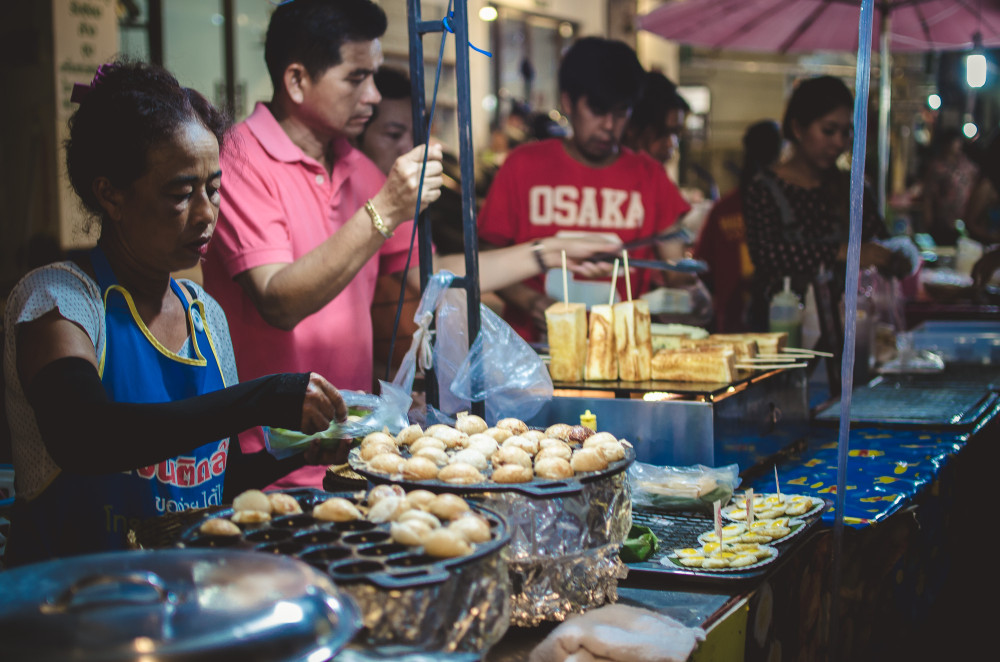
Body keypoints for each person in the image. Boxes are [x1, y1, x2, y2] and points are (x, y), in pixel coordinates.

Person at [203, 1, 613, 487]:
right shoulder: (240, 160)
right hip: (267, 455)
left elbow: (429, 274)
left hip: (349, 450)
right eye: (357, 78)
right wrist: (385, 210)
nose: (373, 95)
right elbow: (279, 301)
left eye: (374, 76)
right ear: (296, 81)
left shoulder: (357, 167)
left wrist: (545, 250)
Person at [2, 61, 348, 566]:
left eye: (213, 188)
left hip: (180, 604)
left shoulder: (205, 317)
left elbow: (215, 481)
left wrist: (296, 451)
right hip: (72, 616)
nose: (207, 214)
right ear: (110, 194)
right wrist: (262, 398)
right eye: (181, 194)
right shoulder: (59, 303)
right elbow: (84, 437)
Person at [357, 67, 619, 381]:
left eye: (417, 135)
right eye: (393, 134)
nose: (410, 149)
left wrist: (551, 250)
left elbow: (432, 273)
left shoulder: (392, 201)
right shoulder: (367, 193)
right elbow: (430, 277)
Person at [477, 37, 691, 342]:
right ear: (568, 102)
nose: (608, 125)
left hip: (623, 351)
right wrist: (530, 301)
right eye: (597, 110)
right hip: (533, 353)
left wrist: (690, 292)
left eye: (620, 113)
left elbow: (675, 269)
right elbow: (487, 254)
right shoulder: (522, 166)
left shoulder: (650, 176)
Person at [742, 75, 898, 335]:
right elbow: (768, 254)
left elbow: (880, 242)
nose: (839, 142)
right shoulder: (764, 188)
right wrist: (844, 253)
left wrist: (896, 255)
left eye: (847, 131)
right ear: (798, 128)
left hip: (846, 330)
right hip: (781, 332)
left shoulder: (854, 189)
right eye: (828, 130)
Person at [694, 120, 784, 332]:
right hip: (771, 322)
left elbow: (702, 265)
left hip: (734, 323)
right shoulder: (782, 207)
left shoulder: (724, 208)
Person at [920, 127, 979, 246]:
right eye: (954, 142)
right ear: (946, 144)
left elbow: (976, 185)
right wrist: (928, 221)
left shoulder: (967, 165)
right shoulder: (937, 168)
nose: (957, 145)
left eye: (958, 142)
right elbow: (928, 195)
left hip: (965, 221)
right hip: (943, 222)